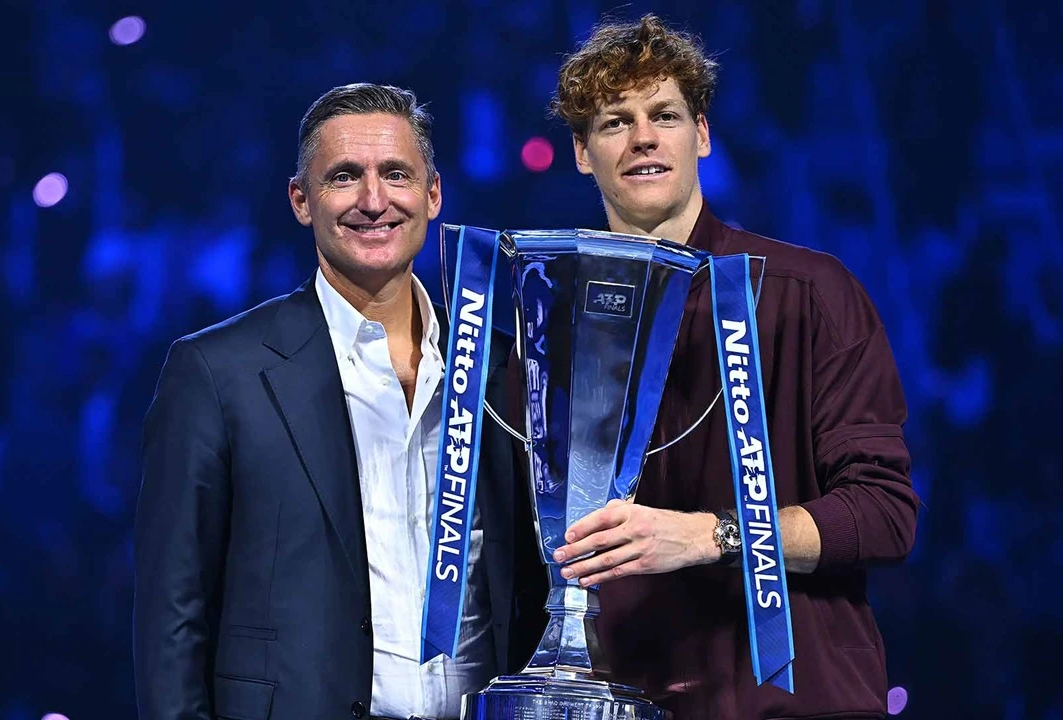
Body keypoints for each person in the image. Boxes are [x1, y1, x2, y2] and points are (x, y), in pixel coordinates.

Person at [545, 15, 920, 719]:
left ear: (703, 135)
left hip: (792, 703)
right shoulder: (545, 325)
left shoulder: (808, 294)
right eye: (615, 122)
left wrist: (706, 535)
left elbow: (883, 514)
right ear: (582, 154)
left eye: (665, 115)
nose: (644, 137)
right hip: (618, 698)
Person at [133, 83, 539, 720]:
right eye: (344, 176)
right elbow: (171, 619)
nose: (374, 201)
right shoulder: (217, 373)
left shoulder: (499, 368)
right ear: (301, 200)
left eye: (396, 174)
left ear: (433, 194)